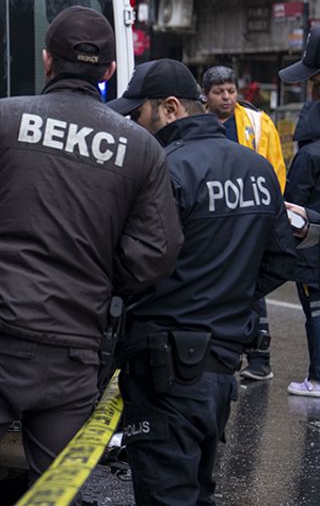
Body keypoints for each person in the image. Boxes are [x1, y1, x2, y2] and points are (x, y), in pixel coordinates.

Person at [0, 7, 182, 506]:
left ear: (46, 60)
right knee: (58, 491)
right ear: (107, 72)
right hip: (73, 347)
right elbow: (155, 255)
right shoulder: (142, 150)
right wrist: (98, 277)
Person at [109, 58, 300, 506]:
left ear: (170, 108)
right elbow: (281, 259)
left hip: (164, 368)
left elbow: (135, 266)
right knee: (197, 491)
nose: (136, 126)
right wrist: (227, 296)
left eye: (139, 114)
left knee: (166, 494)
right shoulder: (258, 169)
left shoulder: (164, 170)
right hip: (220, 365)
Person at [202, 64, 287, 381]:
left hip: (249, 217)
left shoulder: (257, 123)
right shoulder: (198, 123)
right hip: (214, 217)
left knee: (251, 288)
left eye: (230, 91)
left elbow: (275, 169)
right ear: (205, 95)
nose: (226, 97)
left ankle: (260, 358)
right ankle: (226, 352)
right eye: (218, 92)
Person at [278, 32, 320, 397]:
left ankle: (317, 377)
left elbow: (295, 205)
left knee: (316, 311)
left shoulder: (309, 154)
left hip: (313, 249)